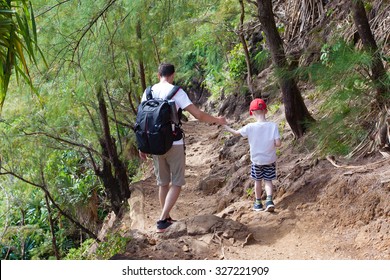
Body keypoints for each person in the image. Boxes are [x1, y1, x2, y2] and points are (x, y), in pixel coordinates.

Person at [139, 63, 227, 233]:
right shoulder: (176, 92)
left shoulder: (148, 92)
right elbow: (198, 115)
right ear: (172, 75)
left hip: (154, 144)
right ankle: (162, 219)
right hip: (174, 142)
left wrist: (142, 145)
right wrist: (218, 120)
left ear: (159, 75)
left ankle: (166, 217)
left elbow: (142, 120)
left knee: (163, 183)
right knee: (177, 182)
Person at [224, 98, 281, 212]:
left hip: (256, 161)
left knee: (258, 181)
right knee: (268, 180)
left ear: (252, 113)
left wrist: (225, 126)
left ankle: (258, 203)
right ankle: (269, 201)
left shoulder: (250, 127)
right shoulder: (273, 126)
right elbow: (278, 144)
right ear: (266, 111)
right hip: (269, 159)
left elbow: (236, 133)